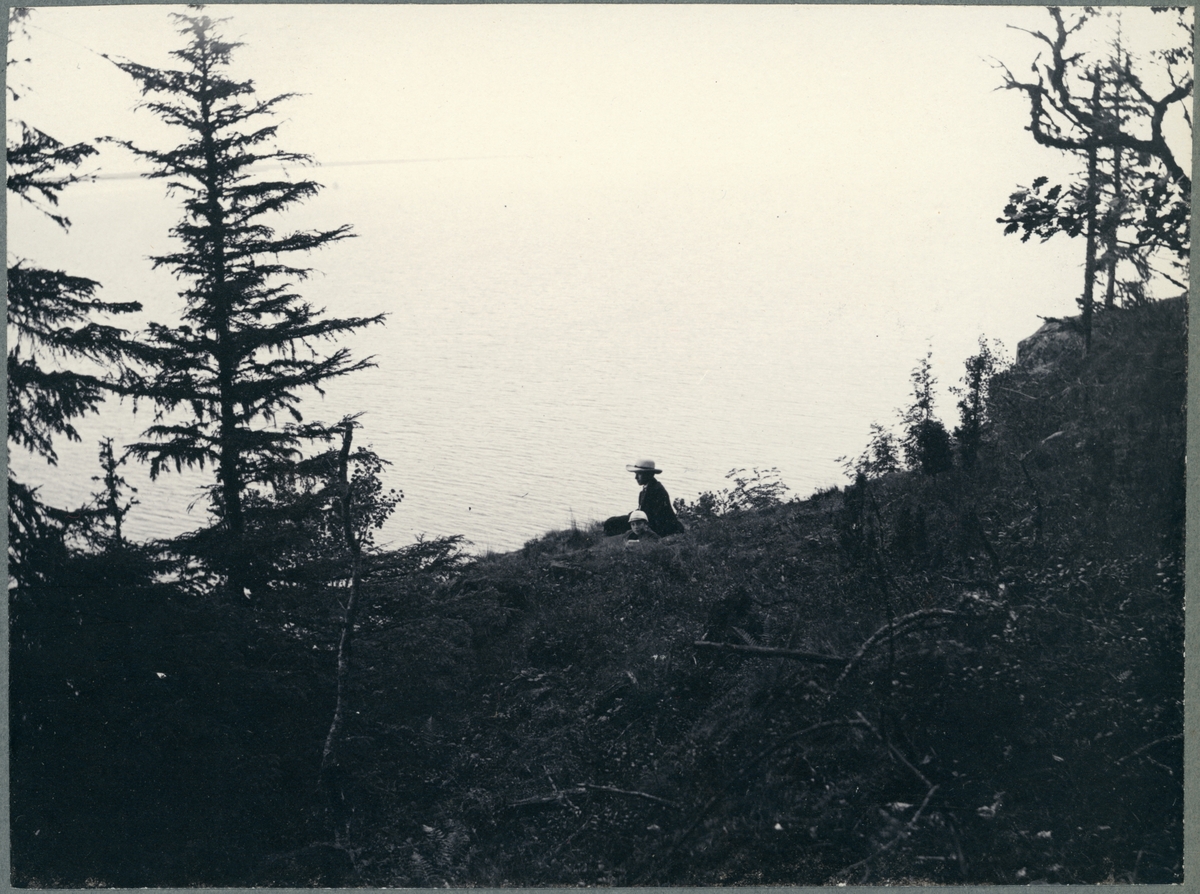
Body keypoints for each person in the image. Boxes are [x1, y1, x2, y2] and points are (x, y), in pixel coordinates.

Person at [603, 459, 686, 537]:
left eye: (639, 474)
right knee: (611, 522)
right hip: (647, 520)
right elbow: (643, 510)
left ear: (648, 474)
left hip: (660, 526)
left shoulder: (657, 490)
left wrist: (634, 519)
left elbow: (655, 517)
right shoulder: (648, 488)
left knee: (613, 524)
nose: (636, 477)